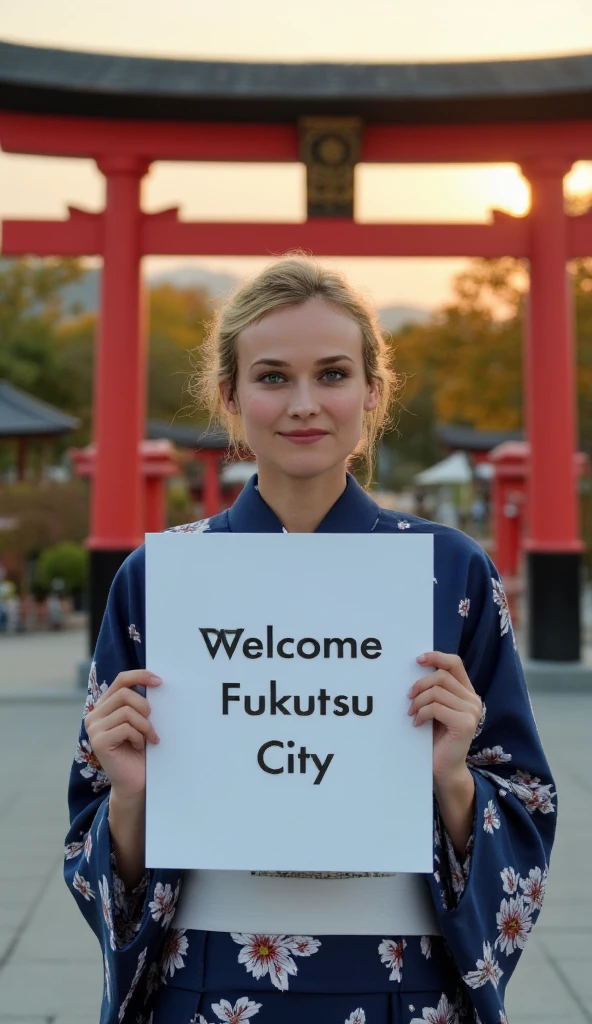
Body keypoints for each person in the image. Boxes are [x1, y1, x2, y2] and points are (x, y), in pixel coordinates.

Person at [65, 255, 556, 1024]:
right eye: (271, 378)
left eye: (332, 374)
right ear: (229, 396)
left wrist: (454, 778)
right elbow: (93, 839)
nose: (304, 405)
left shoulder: (450, 570)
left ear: (372, 392)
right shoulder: (159, 578)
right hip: (209, 978)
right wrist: (130, 795)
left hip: (405, 981)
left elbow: (525, 805)